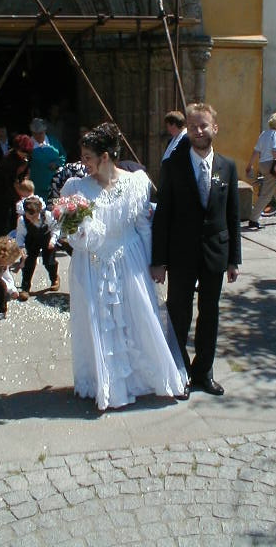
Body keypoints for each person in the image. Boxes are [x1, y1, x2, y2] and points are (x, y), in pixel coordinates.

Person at [60, 122, 186, 411]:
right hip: (91, 263)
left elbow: (143, 226)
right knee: (98, 322)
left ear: (105, 157)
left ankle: (143, 378)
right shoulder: (76, 187)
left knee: (138, 317)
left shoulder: (136, 183)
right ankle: (105, 383)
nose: (83, 163)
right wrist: (80, 235)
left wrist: (155, 263)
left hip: (129, 258)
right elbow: (68, 233)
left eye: (88, 157)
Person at [151, 102, 241, 399]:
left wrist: (234, 259)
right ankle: (181, 372)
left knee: (210, 313)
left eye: (204, 125)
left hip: (215, 252)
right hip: (181, 253)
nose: (199, 131)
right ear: (187, 130)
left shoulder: (227, 166)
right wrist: (159, 260)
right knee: (179, 313)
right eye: (193, 127)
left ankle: (204, 372)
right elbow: (163, 214)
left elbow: (233, 215)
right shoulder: (172, 166)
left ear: (215, 128)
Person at [245, 112, 276, 229]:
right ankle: (253, 219)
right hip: (272, 165)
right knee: (266, 194)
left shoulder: (263, 134)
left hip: (263, 164)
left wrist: (250, 165)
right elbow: (275, 151)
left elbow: (256, 151)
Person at [15, 197, 61, 301]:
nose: (32, 219)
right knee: (28, 262)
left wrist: (53, 240)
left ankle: (54, 278)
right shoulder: (22, 220)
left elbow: (55, 228)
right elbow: (20, 235)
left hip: (47, 239)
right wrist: (21, 247)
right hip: (31, 240)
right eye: (29, 216)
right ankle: (25, 287)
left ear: (39, 211)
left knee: (49, 261)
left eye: (34, 216)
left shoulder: (47, 215)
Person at [0, 134, 33, 238]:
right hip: (3, 188)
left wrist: (24, 181)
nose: (24, 155)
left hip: (17, 188)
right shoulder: (8, 159)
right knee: (2, 215)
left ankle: (15, 238)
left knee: (16, 215)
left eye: (26, 153)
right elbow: (8, 180)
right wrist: (18, 193)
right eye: (22, 152)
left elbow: (27, 171)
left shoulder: (27, 157)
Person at [29, 117, 67, 201]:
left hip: (55, 184)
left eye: (41, 133)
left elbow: (63, 155)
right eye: (35, 134)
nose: (38, 136)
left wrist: (57, 163)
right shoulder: (29, 144)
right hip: (37, 186)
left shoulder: (53, 141)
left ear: (45, 131)